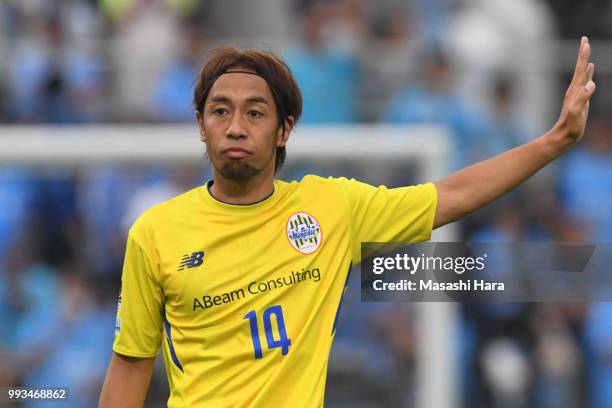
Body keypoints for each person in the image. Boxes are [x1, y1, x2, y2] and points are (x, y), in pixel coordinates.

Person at [99, 37, 596, 407]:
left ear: (283, 129)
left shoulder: (329, 208)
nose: (234, 126)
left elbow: (452, 195)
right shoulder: (156, 231)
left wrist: (553, 140)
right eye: (219, 111)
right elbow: (131, 363)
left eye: (255, 112)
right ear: (200, 126)